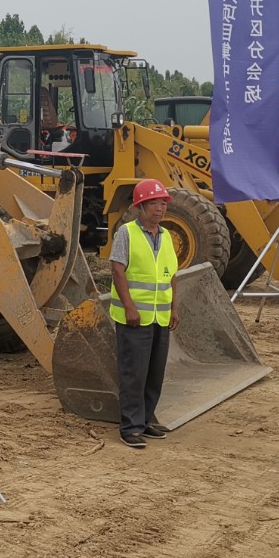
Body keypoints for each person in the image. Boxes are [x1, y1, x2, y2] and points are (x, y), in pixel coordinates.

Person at [109, 178, 180, 449]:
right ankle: (130, 427)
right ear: (140, 206)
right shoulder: (126, 233)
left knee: (154, 373)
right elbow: (117, 270)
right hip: (134, 318)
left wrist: (174, 308)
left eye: (163, 203)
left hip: (160, 317)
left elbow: (172, 275)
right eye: (154, 203)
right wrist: (129, 306)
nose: (160, 208)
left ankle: (145, 420)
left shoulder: (166, 236)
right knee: (133, 373)